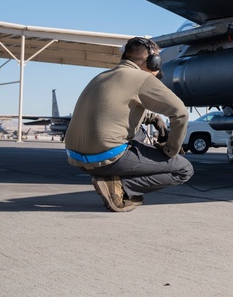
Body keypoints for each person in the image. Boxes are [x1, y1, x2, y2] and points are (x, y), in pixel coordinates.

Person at [64, 37, 192, 212]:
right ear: (153, 62)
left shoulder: (102, 76)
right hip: (105, 158)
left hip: (76, 158)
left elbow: (119, 107)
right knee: (183, 169)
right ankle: (121, 187)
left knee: (137, 133)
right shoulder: (142, 78)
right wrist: (170, 149)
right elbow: (180, 114)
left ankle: (112, 178)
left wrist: (155, 118)